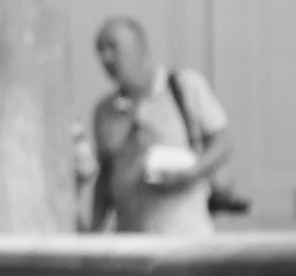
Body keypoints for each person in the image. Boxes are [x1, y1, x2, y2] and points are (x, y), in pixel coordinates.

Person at [88, 17, 233, 236]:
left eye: (112, 47)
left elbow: (223, 144)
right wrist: (94, 232)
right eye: (100, 50)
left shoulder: (184, 86)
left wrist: (189, 174)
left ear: (140, 48)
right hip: (131, 238)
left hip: (185, 236)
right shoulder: (105, 110)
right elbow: (105, 177)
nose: (106, 57)